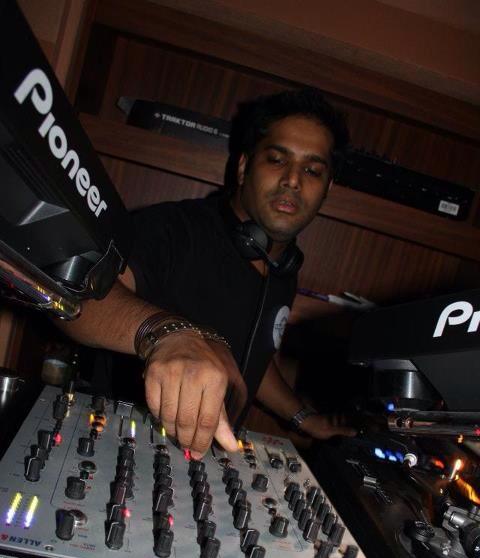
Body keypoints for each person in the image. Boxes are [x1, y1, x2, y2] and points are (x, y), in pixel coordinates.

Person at [60, 87, 355, 458]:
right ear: (244, 167)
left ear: (327, 187)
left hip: (206, 461)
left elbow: (254, 357)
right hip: (120, 446)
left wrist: (303, 418)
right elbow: (79, 299)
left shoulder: (282, 269)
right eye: (277, 159)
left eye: (312, 170)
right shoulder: (173, 228)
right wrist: (168, 334)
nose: (293, 180)